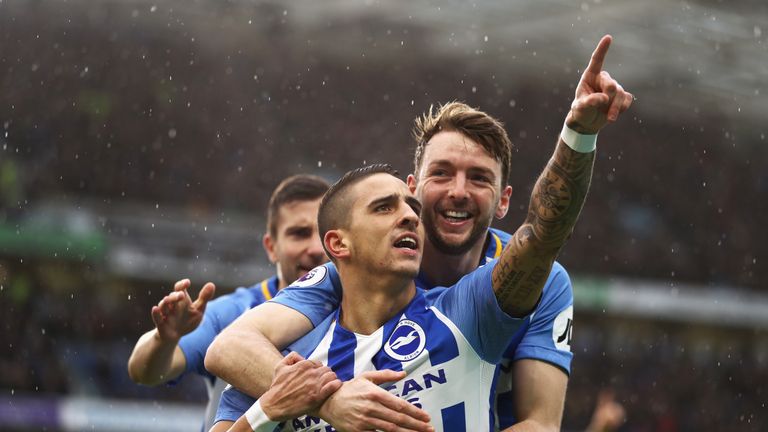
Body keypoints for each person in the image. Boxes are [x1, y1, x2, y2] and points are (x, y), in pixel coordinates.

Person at [207, 34, 632, 431]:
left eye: (479, 179)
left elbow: (539, 423)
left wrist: (578, 135)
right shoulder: (331, 290)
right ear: (415, 188)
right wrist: (323, 402)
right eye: (441, 174)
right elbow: (230, 346)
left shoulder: (504, 295)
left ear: (504, 201)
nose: (459, 192)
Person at [126, 174, 331, 431]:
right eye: (299, 234)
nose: (315, 247)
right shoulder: (234, 313)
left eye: (322, 233)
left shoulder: (360, 312)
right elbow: (143, 372)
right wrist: (165, 339)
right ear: (271, 247)